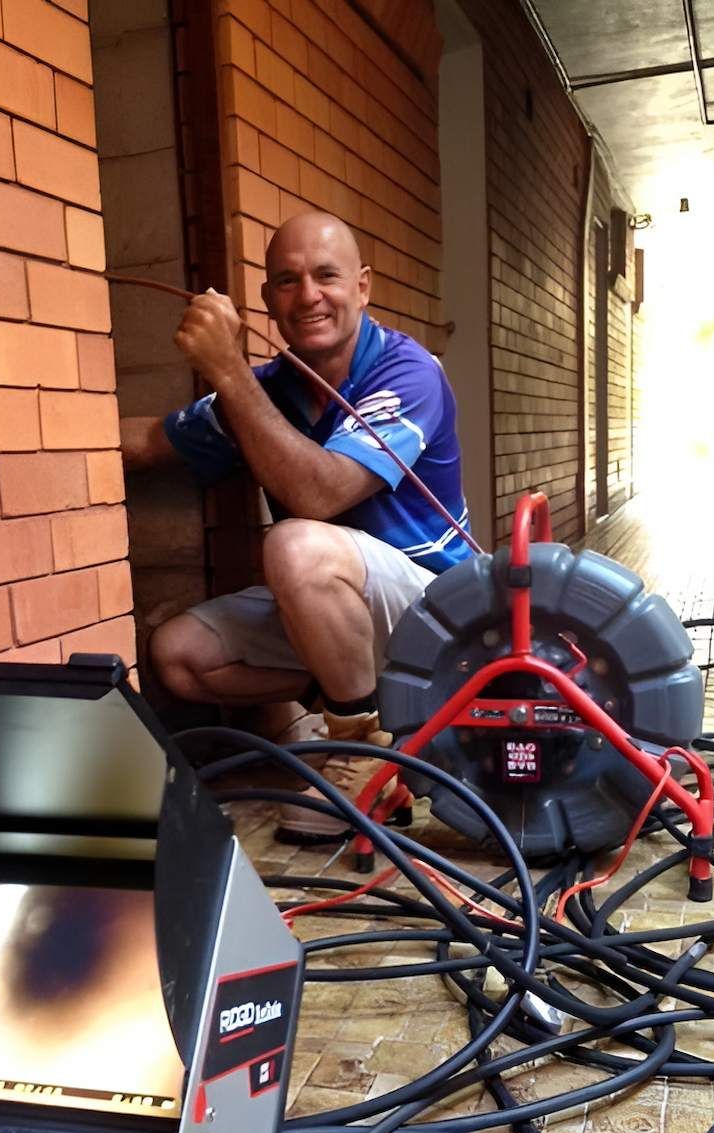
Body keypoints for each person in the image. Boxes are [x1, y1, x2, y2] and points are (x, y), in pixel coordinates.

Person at [121, 210, 472, 839]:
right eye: (286, 281)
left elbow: (322, 493)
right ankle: (357, 712)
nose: (308, 296)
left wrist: (225, 368)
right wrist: (43, 424)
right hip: (338, 607)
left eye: (326, 277)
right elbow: (150, 442)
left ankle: (361, 752)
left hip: (435, 612)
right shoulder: (265, 390)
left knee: (294, 545)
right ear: (266, 300)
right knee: (178, 656)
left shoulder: (408, 371)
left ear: (362, 286)